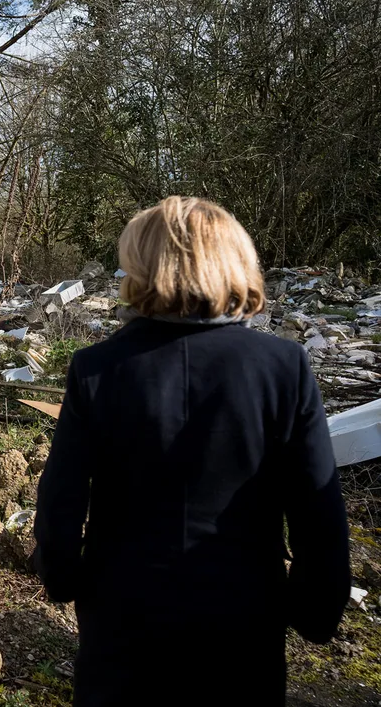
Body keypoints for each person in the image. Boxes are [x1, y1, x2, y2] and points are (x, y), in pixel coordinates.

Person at [33, 196, 350, 707]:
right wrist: (316, 609)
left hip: (123, 613)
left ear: (141, 267)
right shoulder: (282, 367)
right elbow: (318, 508)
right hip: (243, 613)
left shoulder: (97, 368)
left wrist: (62, 578)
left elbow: (61, 499)